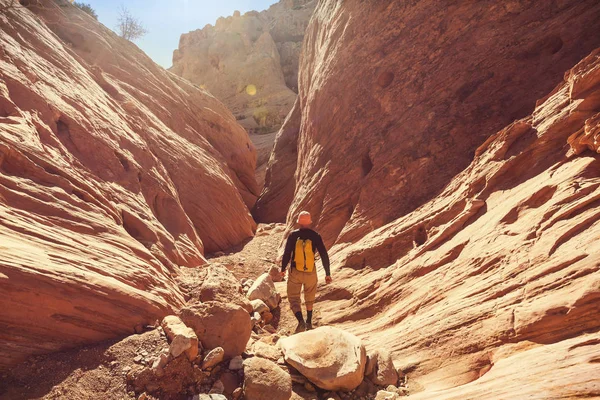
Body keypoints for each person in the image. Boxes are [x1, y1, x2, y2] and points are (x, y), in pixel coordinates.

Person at [280, 211, 332, 331]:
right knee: (309, 297)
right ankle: (309, 321)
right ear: (309, 222)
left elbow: (287, 254)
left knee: (293, 298)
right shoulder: (315, 236)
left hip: (295, 272)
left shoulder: (293, 235)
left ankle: (301, 321)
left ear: (298, 222)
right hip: (310, 272)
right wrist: (327, 273)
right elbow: (324, 254)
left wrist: (283, 269)